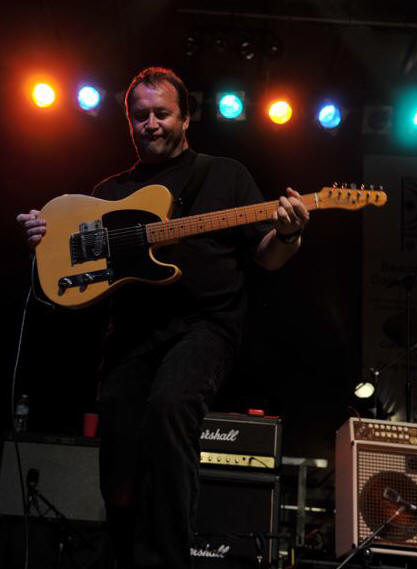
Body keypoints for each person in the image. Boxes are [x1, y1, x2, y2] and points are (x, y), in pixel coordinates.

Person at [17, 66, 309, 569]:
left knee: (171, 406)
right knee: (120, 451)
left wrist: (287, 233)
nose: (150, 123)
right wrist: (43, 240)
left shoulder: (226, 175)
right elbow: (71, 264)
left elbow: (267, 257)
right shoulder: (110, 192)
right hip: (131, 335)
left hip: (206, 327)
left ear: (186, 118)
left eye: (161, 113)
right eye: (140, 116)